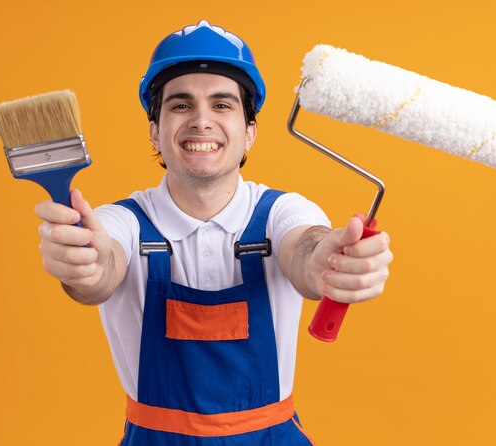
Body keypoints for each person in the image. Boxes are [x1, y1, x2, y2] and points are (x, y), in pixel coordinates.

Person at [35, 20, 393, 445]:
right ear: (155, 129)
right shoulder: (122, 222)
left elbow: (306, 249)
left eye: (222, 105)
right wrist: (84, 266)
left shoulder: (283, 212)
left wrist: (327, 264)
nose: (201, 121)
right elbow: (102, 267)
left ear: (249, 133)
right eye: (181, 105)